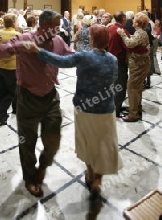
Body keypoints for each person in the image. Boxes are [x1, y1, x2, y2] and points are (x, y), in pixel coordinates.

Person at [24, 24, 122, 200]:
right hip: (106, 109)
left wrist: (37, 50)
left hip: (85, 108)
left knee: (88, 142)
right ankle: (98, 180)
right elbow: (113, 81)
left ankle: (91, 175)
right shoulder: (113, 60)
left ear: (92, 40)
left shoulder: (84, 57)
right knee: (103, 143)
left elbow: (60, 61)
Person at [0, 10, 73, 197]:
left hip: (51, 97)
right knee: (27, 142)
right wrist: (21, 46)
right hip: (27, 97)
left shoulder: (58, 41)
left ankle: (43, 166)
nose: (58, 29)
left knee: (53, 141)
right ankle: (30, 177)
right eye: (55, 26)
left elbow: (71, 56)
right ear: (43, 25)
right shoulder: (25, 37)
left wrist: (93, 58)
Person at [117, 12, 150, 122]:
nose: (132, 22)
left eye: (134, 20)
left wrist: (122, 34)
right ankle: (136, 108)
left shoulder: (140, 33)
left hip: (138, 65)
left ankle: (133, 114)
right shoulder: (141, 32)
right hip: (142, 64)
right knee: (137, 87)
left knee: (132, 88)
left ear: (137, 23)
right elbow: (136, 41)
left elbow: (130, 44)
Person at [0, 14, 19, 125]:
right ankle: (1, 115)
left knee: (0, 91)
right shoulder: (17, 35)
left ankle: (2, 114)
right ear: (14, 23)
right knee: (11, 92)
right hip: (11, 67)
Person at [108, 11, 129, 118]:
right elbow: (129, 46)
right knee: (120, 86)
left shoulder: (110, 29)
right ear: (124, 18)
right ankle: (116, 110)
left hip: (109, 61)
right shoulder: (122, 31)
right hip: (119, 62)